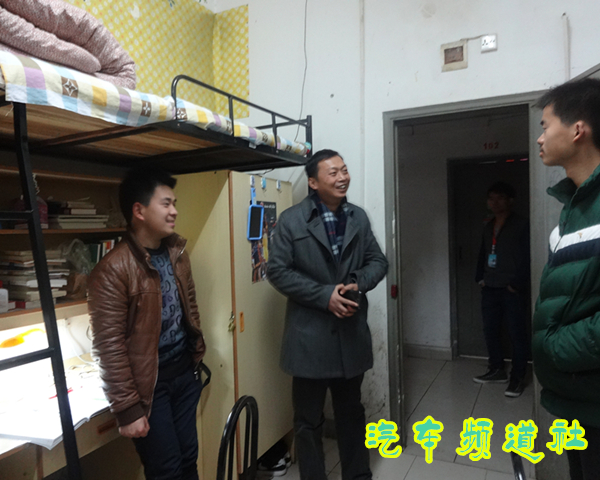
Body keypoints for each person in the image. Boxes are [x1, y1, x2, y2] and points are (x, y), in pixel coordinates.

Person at [267, 149, 388, 480]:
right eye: (333, 172)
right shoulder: (292, 220)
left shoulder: (358, 217)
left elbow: (378, 261)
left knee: (352, 414)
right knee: (307, 421)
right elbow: (277, 271)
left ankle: (358, 475)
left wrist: (356, 282)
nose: (342, 177)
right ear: (313, 182)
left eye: (344, 170)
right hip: (309, 340)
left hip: (350, 335)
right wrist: (324, 296)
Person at [88, 167, 206, 480]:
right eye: (166, 204)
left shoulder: (177, 253)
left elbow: (190, 308)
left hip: (184, 374)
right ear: (139, 211)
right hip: (150, 388)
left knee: (188, 459)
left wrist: (195, 357)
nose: (174, 211)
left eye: (174, 203)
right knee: (166, 469)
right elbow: (109, 346)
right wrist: (128, 409)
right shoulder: (113, 269)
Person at [533, 78, 600, 480]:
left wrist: (555, 346)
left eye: (546, 126)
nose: (540, 138)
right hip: (577, 400)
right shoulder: (573, 206)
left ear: (577, 130)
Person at [473, 181, 530, 397]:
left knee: (517, 333)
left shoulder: (522, 225)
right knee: (490, 330)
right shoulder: (488, 226)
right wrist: (480, 278)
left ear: (510, 201)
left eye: (500, 198)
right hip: (490, 287)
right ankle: (496, 369)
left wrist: (517, 284)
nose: (494, 203)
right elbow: (484, 252)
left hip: (511, 289)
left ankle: (517, 378)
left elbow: (528, 256)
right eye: (491, 198)